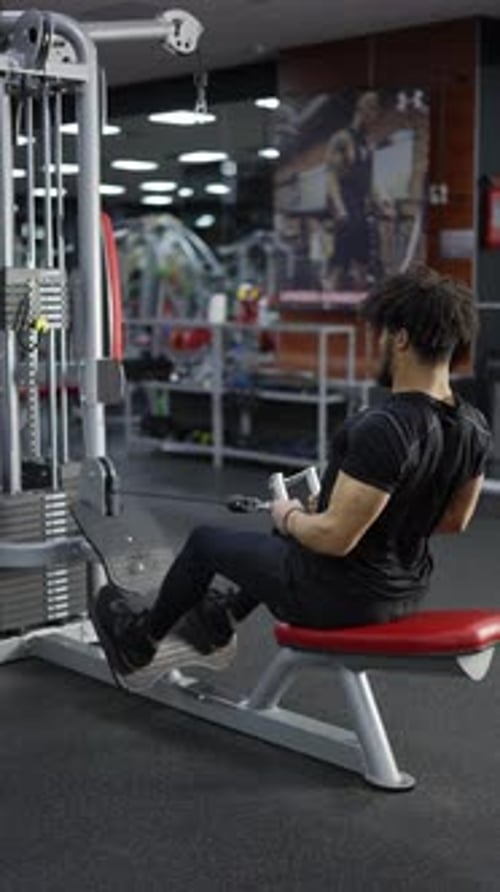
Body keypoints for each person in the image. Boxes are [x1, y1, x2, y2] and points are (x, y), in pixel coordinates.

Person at [90, 266, 491, 681]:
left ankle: (139, 642)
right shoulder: (474, 425)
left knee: (205, 542)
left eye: (386, 334)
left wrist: (289, 514)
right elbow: (452, 520)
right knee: (294, 533)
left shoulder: (384, 426)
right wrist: (340, 514)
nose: (382, 343)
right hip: (407, 592)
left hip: (338, 600)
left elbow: (334, 538)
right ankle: (221, 616)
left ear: (402, 338)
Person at [324, 91, 381, 290]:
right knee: (341, 259)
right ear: (363, 110)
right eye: (373, 111)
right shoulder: (342, 139)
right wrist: (339, 208)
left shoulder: (367, 143)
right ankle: (328, 297)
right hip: (346, 207)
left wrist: (381, 200)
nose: (376, 117)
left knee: (363, 259)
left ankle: (361, 305)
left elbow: (368, 179)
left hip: (360, 206)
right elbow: (331, 177)